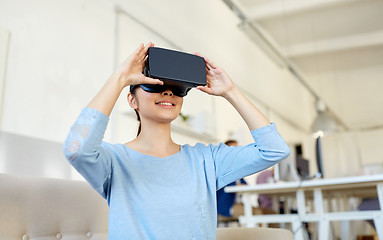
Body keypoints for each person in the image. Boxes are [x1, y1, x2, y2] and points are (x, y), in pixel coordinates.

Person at [63, 42, 290, 239]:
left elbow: (274, 150)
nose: (168, 92)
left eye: (177, 89)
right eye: (154, 84)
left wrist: (230, 91)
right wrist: (120, 77)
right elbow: (76, 149)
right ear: (132, 100)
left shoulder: (205, 160)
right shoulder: (115, 161)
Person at [216, 140, 247, 220]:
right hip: (226, 207)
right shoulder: (221, 169)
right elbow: (229, 185)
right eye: (234, 149)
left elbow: (245, 185)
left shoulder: (237, 169)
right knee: (257, 213)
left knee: (268, 212)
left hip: (239, 204)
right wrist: (238, 185)